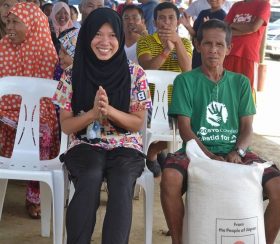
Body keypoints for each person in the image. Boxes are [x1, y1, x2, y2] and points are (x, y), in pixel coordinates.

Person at [160, 19, 280, 244]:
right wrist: (210, 158)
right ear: (198, 45)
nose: (213, 50)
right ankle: (178, 241)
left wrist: (238, 152)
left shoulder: (241, 83)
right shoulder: (185, 81)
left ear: (229, 49)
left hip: (235, 152)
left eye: (220, 45)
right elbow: (185, 129)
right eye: (208, 44)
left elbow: (248, 128)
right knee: (170, 177)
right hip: (196, 152)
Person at [52, 8, 152, 244]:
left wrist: (109, 112)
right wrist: (93, 114)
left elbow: (137, 123)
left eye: (112, 35)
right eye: (98, 34)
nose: (105, 42)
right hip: (84, 142)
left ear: (120, 37)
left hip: (126, 144)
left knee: (121, 179)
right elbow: (67, 126)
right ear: (87, 36)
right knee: (90, 174)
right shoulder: (71, 74)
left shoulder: (135, 73)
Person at [0, 2, 59, 219]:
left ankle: (34, 196)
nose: (10, 28)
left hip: (38, 112)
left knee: (41, 130)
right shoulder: (3, 47)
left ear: (33, 24)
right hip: (5, 108)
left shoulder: (45, 50)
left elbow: (48, 97)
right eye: (8, 22)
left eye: (16, 22)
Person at [137, 1, 192, 177]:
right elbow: (147, 70)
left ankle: (153, 152)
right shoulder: (145, 41)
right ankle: (156, 152)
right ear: (155, 22)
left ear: (177, 22)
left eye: (171, 18)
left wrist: (177, 44)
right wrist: (166, 51)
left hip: (176, 101)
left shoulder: (185, 43)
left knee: (188, 128)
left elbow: (187, 70)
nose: (166, 22)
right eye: (162, 18)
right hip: (150, 101)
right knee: (153, 127)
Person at [223, 0, 270, 98]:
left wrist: (232, 26)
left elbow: (254, 27)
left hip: (248, 55)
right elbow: (224, 27)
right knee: (225, 89)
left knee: (246, 93)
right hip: (228, 53)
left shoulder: (263, 4)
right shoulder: (237, 5)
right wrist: (245, 29)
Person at [180, 0, 226, 68]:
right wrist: (188, 26)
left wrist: (208, 30)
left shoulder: (223, 16)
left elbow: (220, 40)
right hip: (198, 53)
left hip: (211, 54)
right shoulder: (203, 13)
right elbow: (195, 34)